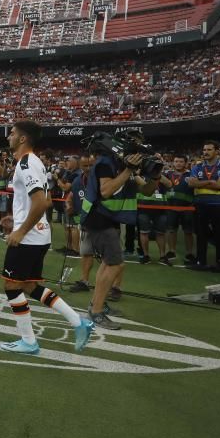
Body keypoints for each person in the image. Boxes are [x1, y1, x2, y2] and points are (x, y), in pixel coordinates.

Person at [0, 120, 93, 355]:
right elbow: (44, 201)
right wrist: (16, 219)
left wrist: (20, 230)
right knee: (30, 285)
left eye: (12, 134)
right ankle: (78, 322)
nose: (8, 137)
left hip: (29, 238)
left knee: (11, 287)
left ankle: (29, 342)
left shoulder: (27, 163)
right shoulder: (35, 163)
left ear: (22, 138)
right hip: (40, 234)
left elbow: (41, 202)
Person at [82, 132, 158, 329]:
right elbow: (106, 191)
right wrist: (128, 171)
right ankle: (96, 311)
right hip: (99, 217)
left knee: (108, 263)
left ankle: (96, 304)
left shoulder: (124, 165)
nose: (137, 154)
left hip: (109, 218)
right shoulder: (106, 163)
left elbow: (148, 190)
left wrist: (155, 174)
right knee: (115, 264)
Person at [187, 140, 220, 272]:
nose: (205, 152)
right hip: (201, 204)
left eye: (209, 150)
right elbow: (191, 184)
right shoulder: (197, 166)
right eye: (204, 150)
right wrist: (211, 182)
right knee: (201, 234)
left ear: (216, 151)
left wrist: (201, 182)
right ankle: (201, 261)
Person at [66, 154, 94, 293]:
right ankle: (84, 281)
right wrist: (69, 203)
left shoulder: (102, 179)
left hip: (104, 224)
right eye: (85, 166)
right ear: (80, 166)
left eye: (91, 165)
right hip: (85, 223)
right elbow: (71, 195)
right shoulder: (78, 180)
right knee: (86, 253)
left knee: (110, 258)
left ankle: (115, 288)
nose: (88, 168)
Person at [163, 154, 196, 266]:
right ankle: (171, 251)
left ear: (186, 163)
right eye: (176, 161)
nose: (178, 163)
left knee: (188, 231)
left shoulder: (191, 174)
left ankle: (189, 253)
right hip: (171, 207)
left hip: (187, 207)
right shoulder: (167, 174)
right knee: (171, 230)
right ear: (173, 163)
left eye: (181, 161)